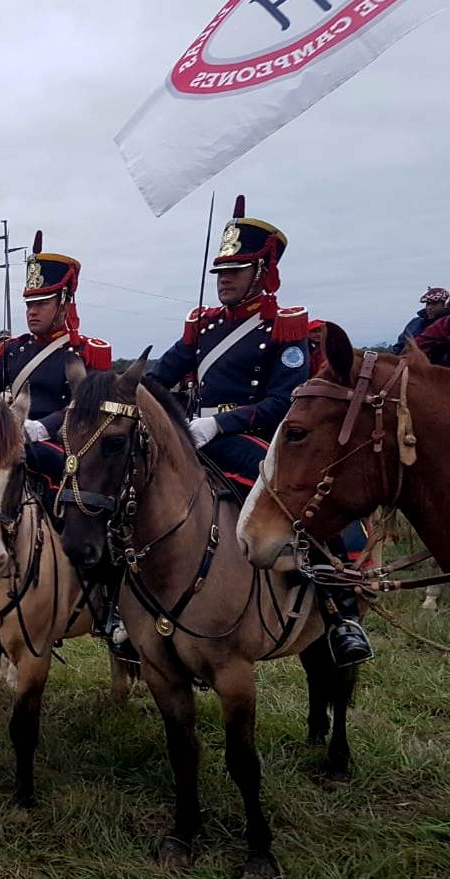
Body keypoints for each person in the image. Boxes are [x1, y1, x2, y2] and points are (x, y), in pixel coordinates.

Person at [149, 194, 372, 668]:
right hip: (194, 437)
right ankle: (120, 606)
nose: (224, 279)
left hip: (253, 439)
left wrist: (220, 423)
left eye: (237, 269)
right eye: (221, 271)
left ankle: (341, 612)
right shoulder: (202, 326)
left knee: (304, 502)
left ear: (262, 271)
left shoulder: (284, 327)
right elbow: (160, 376)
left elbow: (280, 404)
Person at [0, 231, 112, 488]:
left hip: (65, 445)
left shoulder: (86, 351)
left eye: (41, 304)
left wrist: (42, 427)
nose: (32, 312)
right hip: (12, 440)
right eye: (29, 305)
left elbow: (89, 407)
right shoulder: (15, 350)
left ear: (63, 303)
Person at [393, 286, 450, 355]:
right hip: (411, 362)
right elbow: (400, 346)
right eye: (428, 304)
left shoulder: (446, 325)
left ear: (445, 305)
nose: (430, 307)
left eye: (434, 304)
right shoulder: (415, 323)